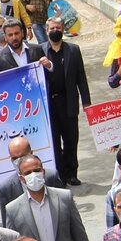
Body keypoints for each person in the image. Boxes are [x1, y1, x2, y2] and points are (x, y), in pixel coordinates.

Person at [5, 153, 99, 241]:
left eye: (37, 170)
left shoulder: (64, 198)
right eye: (28, 173)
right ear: (21, 178)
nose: (33, 175)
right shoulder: (13, 209)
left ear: (43, 172)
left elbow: (80, 236)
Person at [43, 16, 91, 185]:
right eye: (52, 28)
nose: (55, 31)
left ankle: (72, 173)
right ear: (46, 31)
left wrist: (86, 102)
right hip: (49, 105)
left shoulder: (73, 50)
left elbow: (81, 77)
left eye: (58, 28)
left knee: (71, 139)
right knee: (54, 141)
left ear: (63, 30)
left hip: (68, 102)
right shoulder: (39, 51)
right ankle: (60, 174)